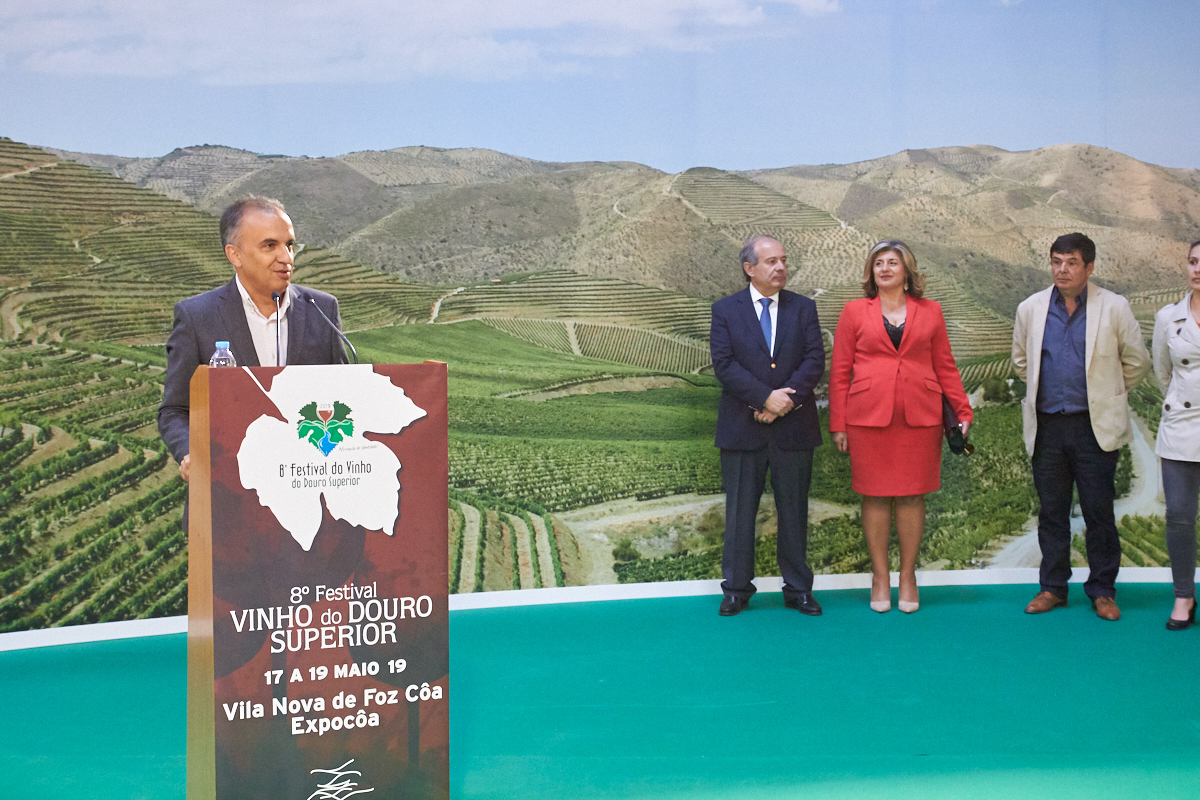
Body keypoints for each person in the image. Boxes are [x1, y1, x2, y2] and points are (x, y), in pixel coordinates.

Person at [158, 196, 348, 487]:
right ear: (235, 255)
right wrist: (189, 453)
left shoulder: (322, 309)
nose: (286, 257)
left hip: (307, 486)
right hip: (229, 489)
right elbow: (174, 410)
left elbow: (346, 397)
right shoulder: (197, 317)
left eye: (289, 245)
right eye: (270, 246)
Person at [828, 240, 972, 614]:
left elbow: (945, 366)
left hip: (920, 418)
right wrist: (838, 423)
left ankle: (908, 576)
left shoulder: (931, 311)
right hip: (867, 419)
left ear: (907, 271)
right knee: (874, 496)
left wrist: (962, 411)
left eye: (893, 262)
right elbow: (840, 371)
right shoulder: (853, 312)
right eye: (879, 263)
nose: (885, 268)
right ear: (871, 272)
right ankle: (880, 577)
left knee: (911, 496)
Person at [1012, 232, 1149, 621]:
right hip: (1048, 427)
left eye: (1072, 262)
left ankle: (1103, 591)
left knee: (1098, 512)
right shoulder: (1030, 308)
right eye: (1056, 261)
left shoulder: (1115, 307)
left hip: (1094, 428)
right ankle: (1053, 588)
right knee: (1052, 512)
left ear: (1089, 267)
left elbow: (1137, 362)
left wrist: (1108, 395)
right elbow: (1021, 362)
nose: (1063, 270)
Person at [710, 236, 826, 617]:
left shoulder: (804, 308)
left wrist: (783, 403)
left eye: (783, 260)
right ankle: (736, 590)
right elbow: (724, 365)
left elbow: (814, 361)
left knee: (794, 512)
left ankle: (798, 590)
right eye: (771, 261)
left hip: (793, 429)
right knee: (740, 514)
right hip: (742, 430)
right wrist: (764, 398)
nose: (780, 268)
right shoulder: (725, 311)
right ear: (749, 268)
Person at [1151, 240, 1200, 630]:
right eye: (1193, 262)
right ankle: (1184, 595)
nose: (1197, 269)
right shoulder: (1168, 318)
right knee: (1180, 517)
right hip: (1182, 426)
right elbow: (1162, 374)